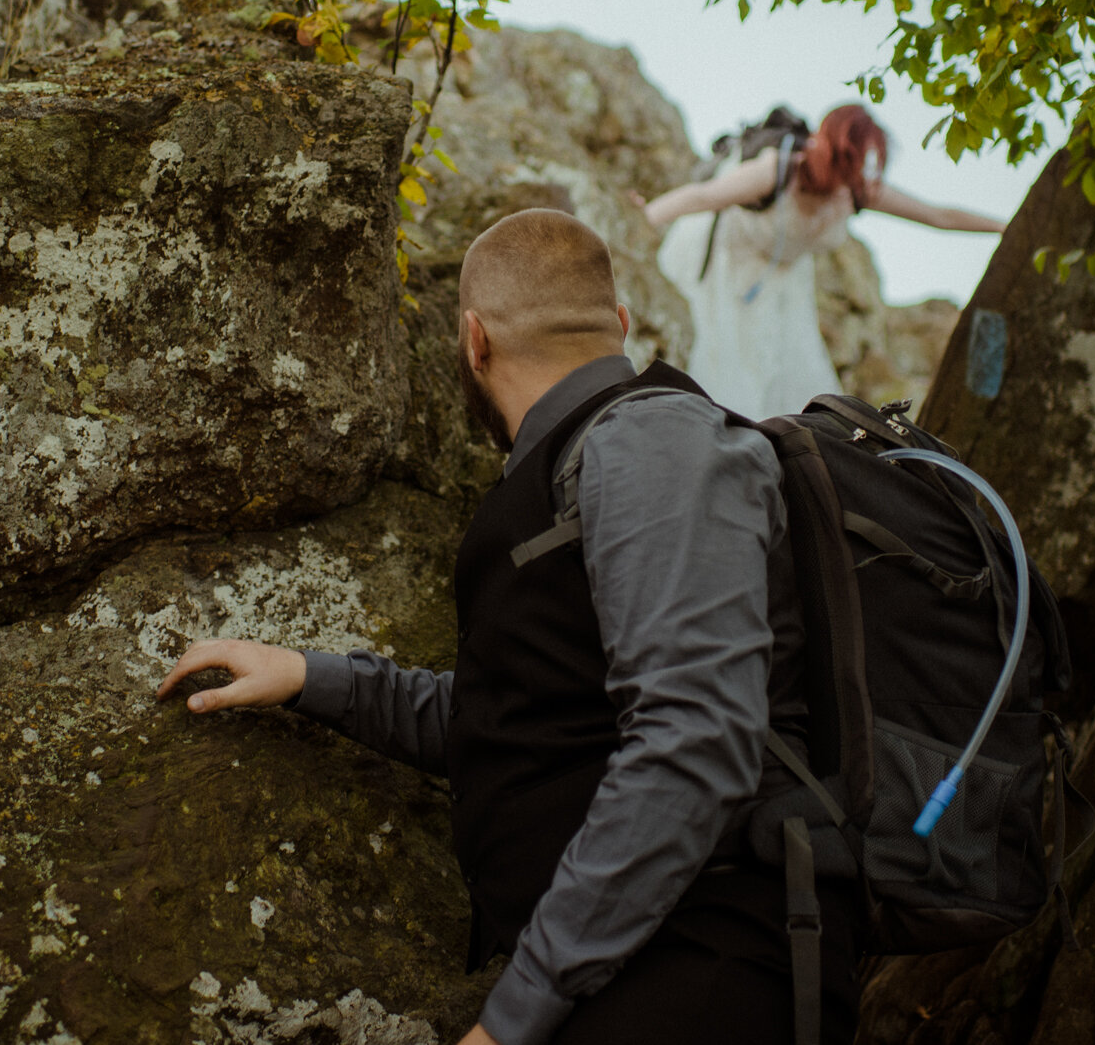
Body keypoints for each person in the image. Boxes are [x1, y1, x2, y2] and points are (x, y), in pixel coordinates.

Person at [155, 209, 855, 1045]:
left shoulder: (655, 439)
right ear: (619, 325)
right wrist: (311, 676)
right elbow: (520, 723)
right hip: (637, 968)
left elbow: (696, 737)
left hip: (710, 967)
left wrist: (511, 1019)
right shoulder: (582, 463)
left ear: (473, 340)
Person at [641, 103, 1005, 419]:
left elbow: (938, 216)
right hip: (727, 265)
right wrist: (644, 218)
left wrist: (1007, 227)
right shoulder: (777, 170)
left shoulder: (856, 189)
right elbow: (703, 197)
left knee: (788, 387)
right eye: (848, 158)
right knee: (722, 370)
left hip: (784, 286)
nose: (853, 173)